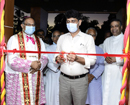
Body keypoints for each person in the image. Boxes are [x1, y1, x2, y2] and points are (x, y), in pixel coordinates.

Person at [54, 9, 96, 105]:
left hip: (80, 81)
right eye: (68, 21)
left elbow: (93, 60)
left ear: (79, 22)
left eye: (73, 21)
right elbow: (56, 55)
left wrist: (77, 59)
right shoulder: (62, 38)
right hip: (63, 79)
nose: (70, 24)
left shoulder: (88, 38)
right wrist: (58, 59)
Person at [5, 17, 48, 105]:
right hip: (19, 77)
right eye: (28, 24)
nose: (31, 27)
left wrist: (39, 65)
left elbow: (45, 57)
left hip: (35, 76)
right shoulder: (14, 39)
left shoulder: (39, 40)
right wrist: (31, 64)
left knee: (34, 100)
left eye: (33, 25)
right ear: (22, 25)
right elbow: (11, 61)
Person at [102, 19, 124, 105]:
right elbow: (103, 55)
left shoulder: (126, 40)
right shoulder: (107, 41)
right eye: (112, 26)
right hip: (107, 72)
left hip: (118, 74)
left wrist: (116, 59)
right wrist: (106, 58)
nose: (114, 28)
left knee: (116, 97)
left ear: (121, 27)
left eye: (116, 26)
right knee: (106, 97)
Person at [85, 27, 104, 105]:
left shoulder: (99, 50)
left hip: (95, 80)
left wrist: (92, 75)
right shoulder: (80, 48)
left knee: (95, 101)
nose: (91, 37)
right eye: (89, 34)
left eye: (93, 35)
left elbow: (102, 65)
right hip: (81, 79)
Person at [44, 30, 61, 105]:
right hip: (52, 75)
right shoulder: (48, 48)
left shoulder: (65, 48)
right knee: (51, 96)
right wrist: (58, 68)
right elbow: (48, 62)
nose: (56, 38)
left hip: (63, 75)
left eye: (58, 36)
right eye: (54, 36)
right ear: (51, 38)